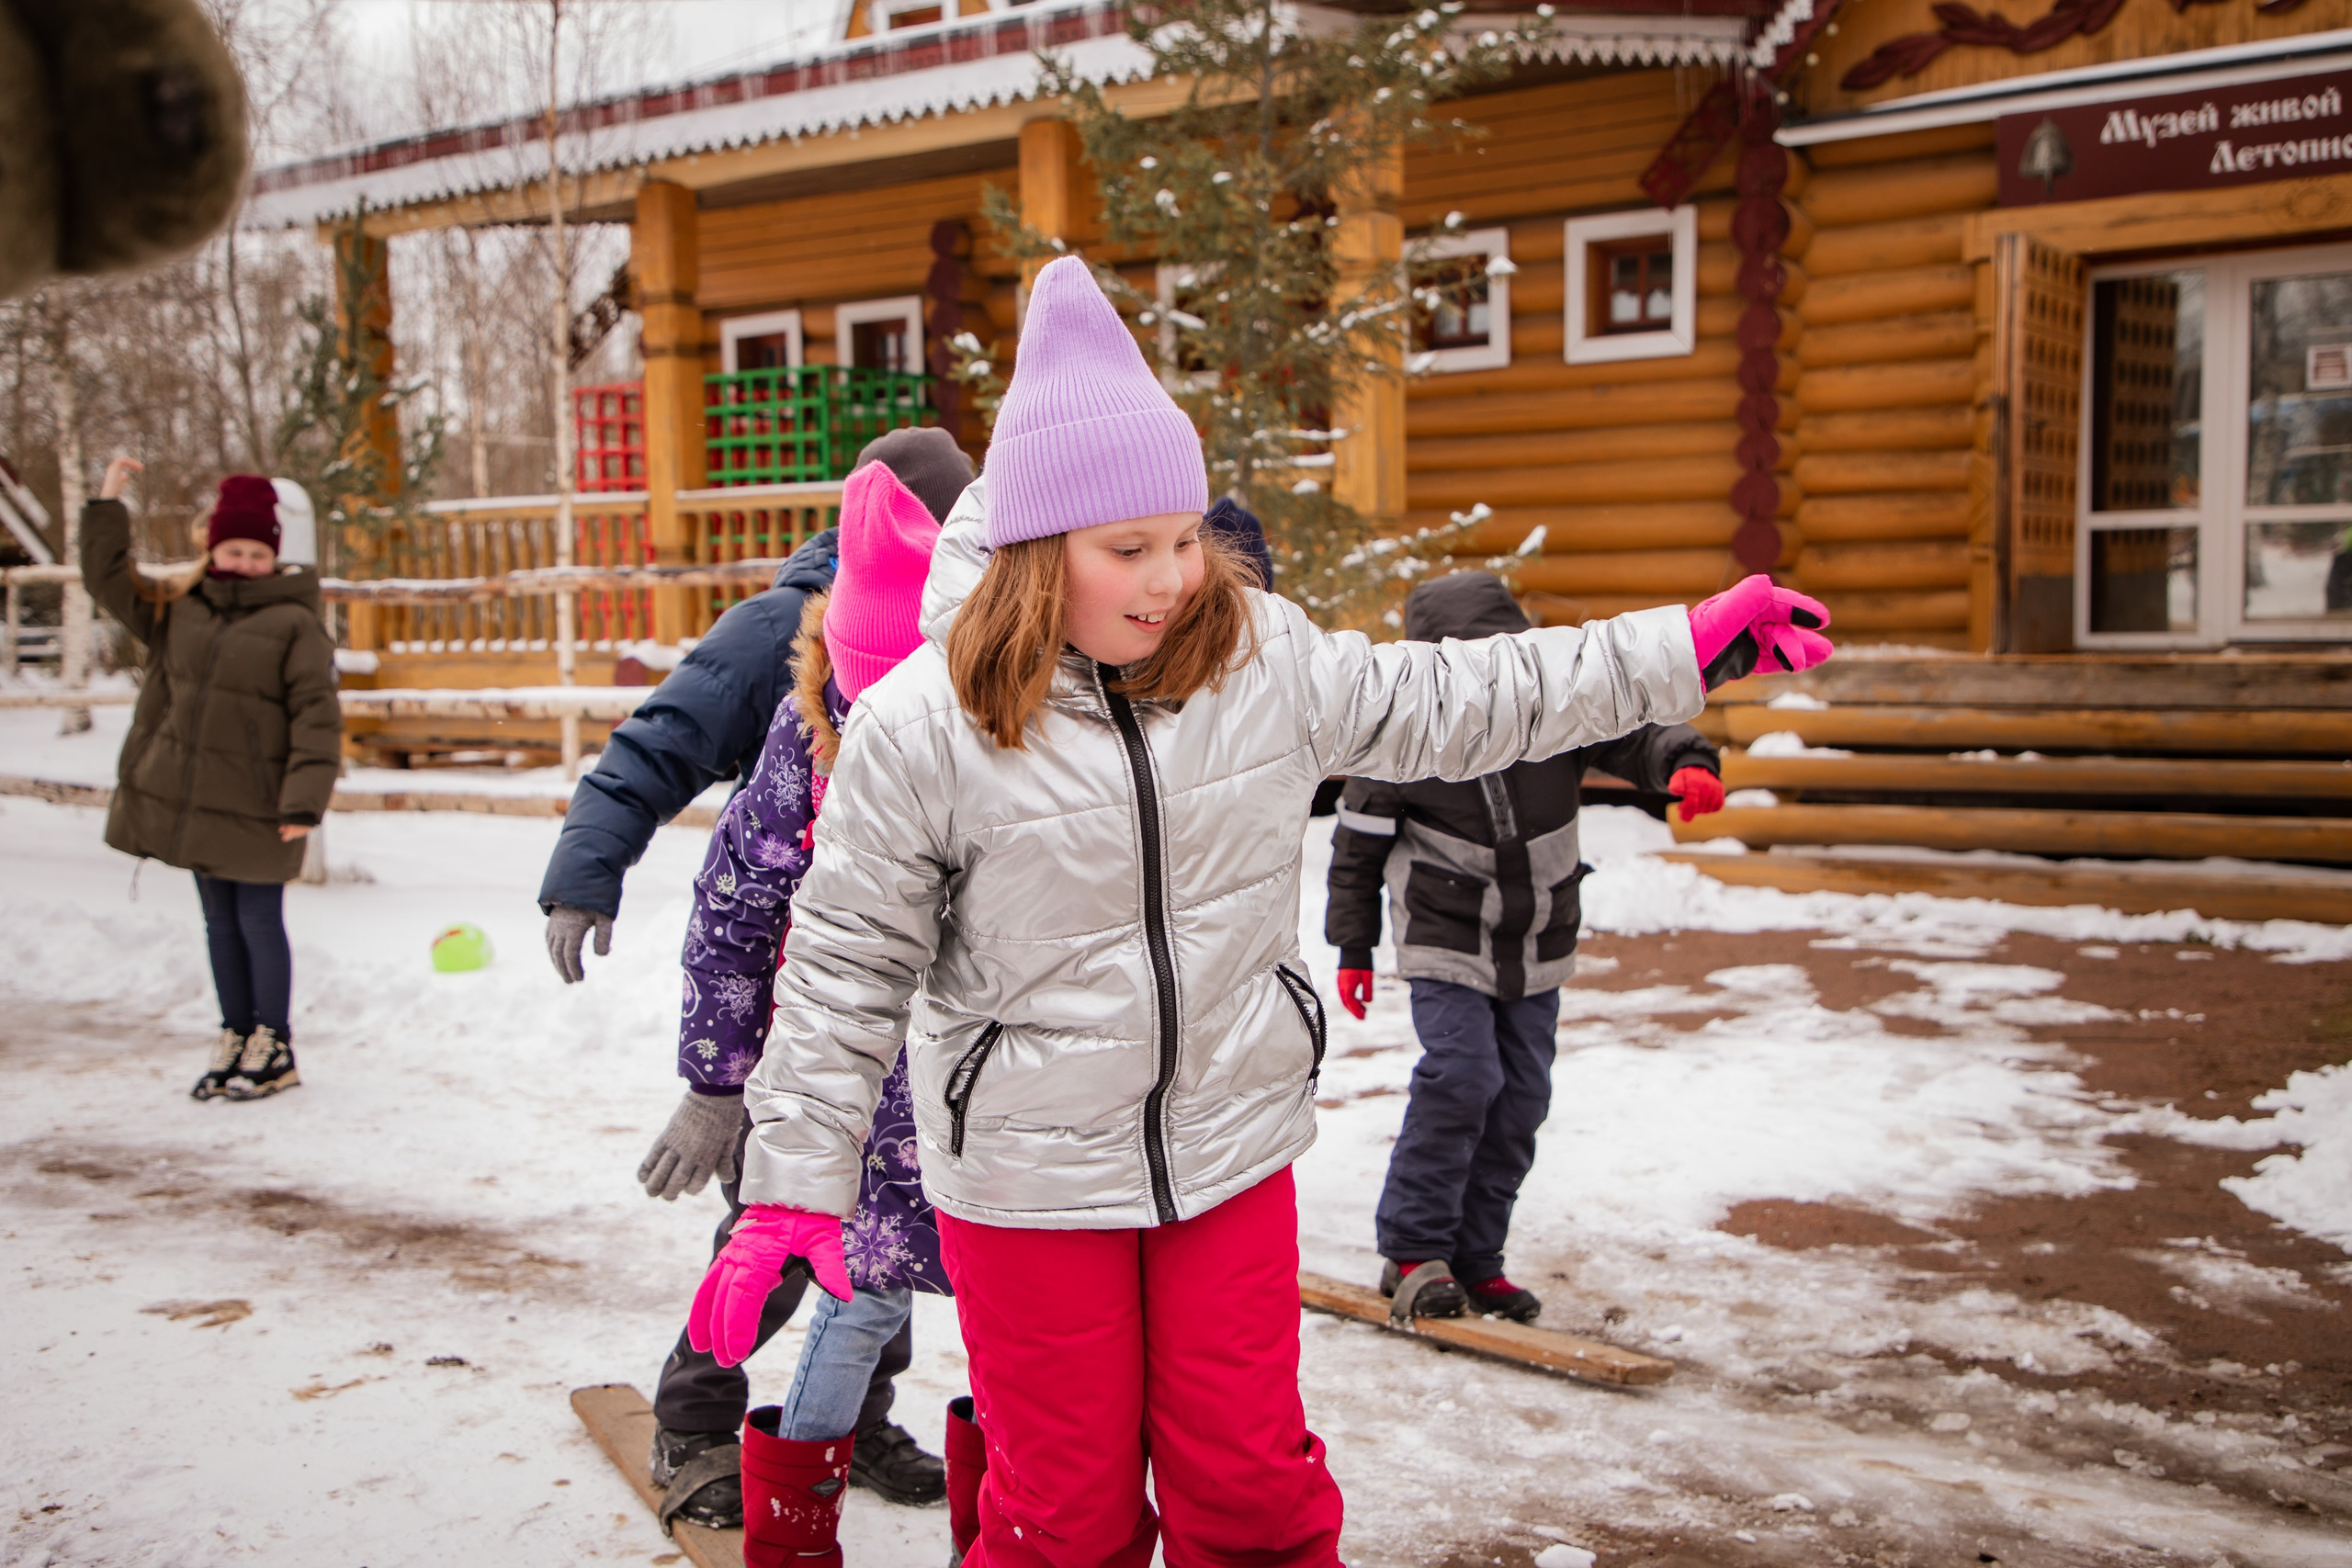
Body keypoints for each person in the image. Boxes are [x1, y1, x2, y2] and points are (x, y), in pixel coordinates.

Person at [677, 254, 1833, 1567]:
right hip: (1025, 1179)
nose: (1173, 574)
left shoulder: (1261, 658)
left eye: (1183, 536)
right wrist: (788, 1190)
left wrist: (1680, 647)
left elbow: (1470, 693)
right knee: (1065, 1513)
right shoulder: (920, 729)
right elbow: (841, 974)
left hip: (1227, 1142)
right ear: (1037, 552)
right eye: (1132, 549)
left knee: (1253, 1494)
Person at [640, 461, 955, 1541]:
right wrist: (716, 1084)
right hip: (811, 1053)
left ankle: (857, 1421)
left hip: (937, 1056)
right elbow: (732, 913)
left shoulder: (985, 713)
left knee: (894, 1255)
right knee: (771, 1249)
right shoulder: (804, 738)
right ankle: (690, 1420)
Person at [1324, 570, 1726, 1325]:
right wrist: (1353, 945)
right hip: (1444, 935)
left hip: (1538, 933)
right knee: (1463, 1076)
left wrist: (1686, 759)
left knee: (1521, 1099)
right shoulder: (1401, 739)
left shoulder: (1556, 713)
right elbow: (1358, 847)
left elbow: (1637, 732)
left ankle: (1478, 1259)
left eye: (1497, 657)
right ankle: (1413, 1252)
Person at [537, 425, 976, 983]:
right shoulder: (778, 626)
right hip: (798, 947)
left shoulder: (987, 620)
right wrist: (584, 875)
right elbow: (660, 745)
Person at [79, 458, 341, 1101]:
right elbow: (108, 579)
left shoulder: (294, 623)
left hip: (262, 804)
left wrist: (304, 802)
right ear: (213, 547)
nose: (245, 560)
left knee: (257, 919)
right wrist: (109, 500)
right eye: (234, 548)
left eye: (257, 551)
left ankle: (274, 1044)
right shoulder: (179, 609)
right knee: (218, 922)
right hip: (197, 804)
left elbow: (317, 716)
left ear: (273, 556)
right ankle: (236, 1033)